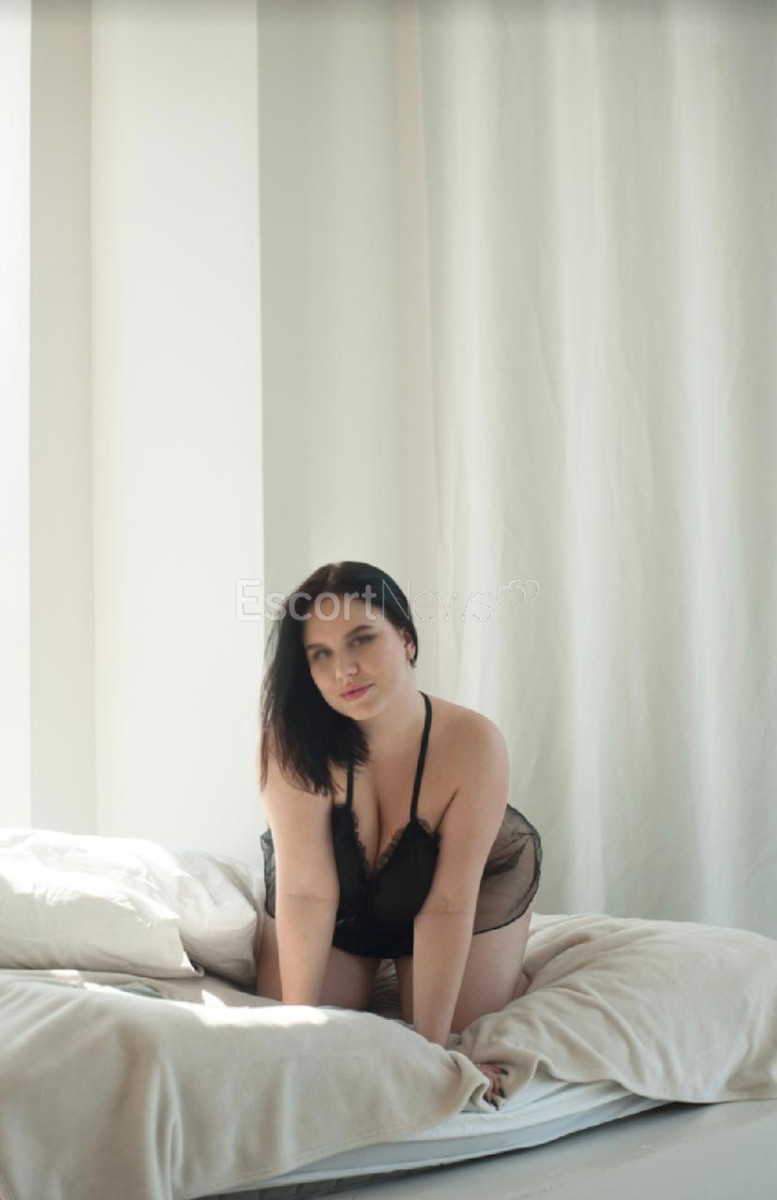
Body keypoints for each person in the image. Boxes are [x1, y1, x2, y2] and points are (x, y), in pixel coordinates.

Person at [255, 561, 542, 1104]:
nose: (345, 669)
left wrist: (431, 1053)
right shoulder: (292, 741)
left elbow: (448, 905)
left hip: (452, 895)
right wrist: (297, 1034)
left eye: (361, 640)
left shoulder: (473, 742)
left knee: (460, 1020)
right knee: (300, 1011)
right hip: (332, 894)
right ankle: (374, 967)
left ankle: (510, 967)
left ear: (407, 638)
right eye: (321, 655)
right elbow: (307, 892)